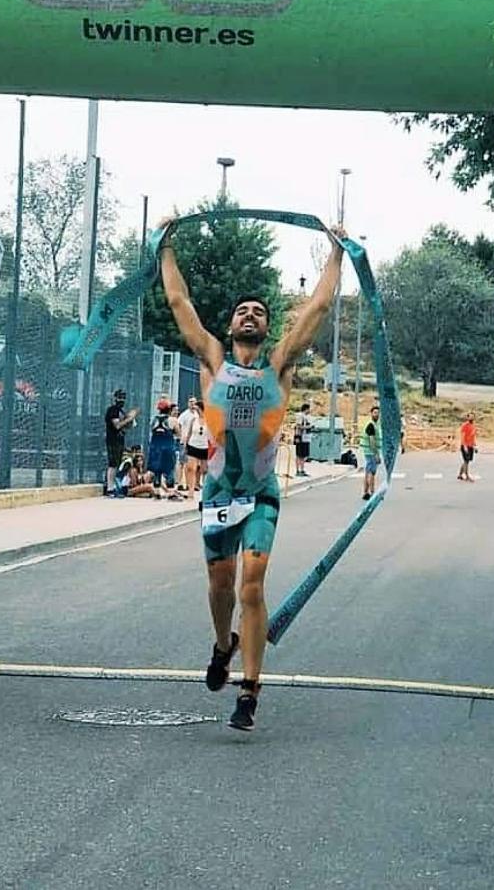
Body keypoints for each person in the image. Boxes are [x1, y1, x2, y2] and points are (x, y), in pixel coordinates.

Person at [159, 216, 345, 731]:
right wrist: (166, 246)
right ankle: (225, 644)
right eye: (242, 310)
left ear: (266, 327)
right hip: (218, 490)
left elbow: (319, 307)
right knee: (220, 587)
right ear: (230, 324)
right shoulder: (214, 360)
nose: (249, 315)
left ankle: (250, 690)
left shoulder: (279, 365)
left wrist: (336, 253)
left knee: (252, 587)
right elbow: (180, 304)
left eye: (258, 312)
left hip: (260, 492)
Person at [105, 389, 139, 495]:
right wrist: (129, 419)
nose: (122, 400)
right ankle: (110, 488)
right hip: (113, 439)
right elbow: (117, 425)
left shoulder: (121, 411)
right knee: (113, 463)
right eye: (120, 397)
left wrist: (130, 418)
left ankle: (114, 485)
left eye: (123, 398)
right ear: (115, 398)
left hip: (120, 439)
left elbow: (127, 426)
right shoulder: (113, 410)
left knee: (118, 462)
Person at [147, 398, 182, 499]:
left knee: (157, 470)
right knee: (169, 469)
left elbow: (152, 430)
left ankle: (157, 492)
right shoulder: (172, 420)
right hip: (168, 447)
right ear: (169, 409)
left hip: (155, 447)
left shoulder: (154, 419)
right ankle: (171, 493)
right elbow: (178, 434)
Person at [182, 399, 209, 500]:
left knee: (204, 470)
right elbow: (189, 433)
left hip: (205, 447)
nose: (195, 409)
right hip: (193, 445)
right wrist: (186, 444)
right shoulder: (193, 420)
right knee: (191, 469)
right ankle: (191, 492)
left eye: (197, 408)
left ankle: (205, 491)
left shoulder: (209, 420)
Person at [360, 404, 381, 501]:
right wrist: (376, 454)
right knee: (371, 473)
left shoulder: (374, 424)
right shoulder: (371, 425)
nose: (377, 415)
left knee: (368, 472)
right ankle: (372, 492)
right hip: (371, 452)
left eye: (378, 413)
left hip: (368, 451)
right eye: (375, 413)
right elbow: (372, 441)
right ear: (371, 413)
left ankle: (366, 492)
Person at [292, 402, 313, 477]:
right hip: (300, 437)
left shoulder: (307, 417)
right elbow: (299, 426)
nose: (309, 411)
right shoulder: (300, 416)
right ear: (306, 409)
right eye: (309, 409)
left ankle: (302, 469)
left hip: (305, 438)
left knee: (304, 455)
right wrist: (309, 427)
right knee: (299, 454)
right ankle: (298, 470)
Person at [457, 412, 477, 482]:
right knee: (466, 461)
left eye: (472, 417)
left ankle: (460, 475)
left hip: (471, 445)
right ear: (467, 418)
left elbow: (473, 436)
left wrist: (475, 446)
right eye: (470, 417)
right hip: (465, 445)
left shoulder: (473, 426)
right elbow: (462, 436)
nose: (471, 418)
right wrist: (464, 446)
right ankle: (467, 475)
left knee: (467, 461)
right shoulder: (465, 426)